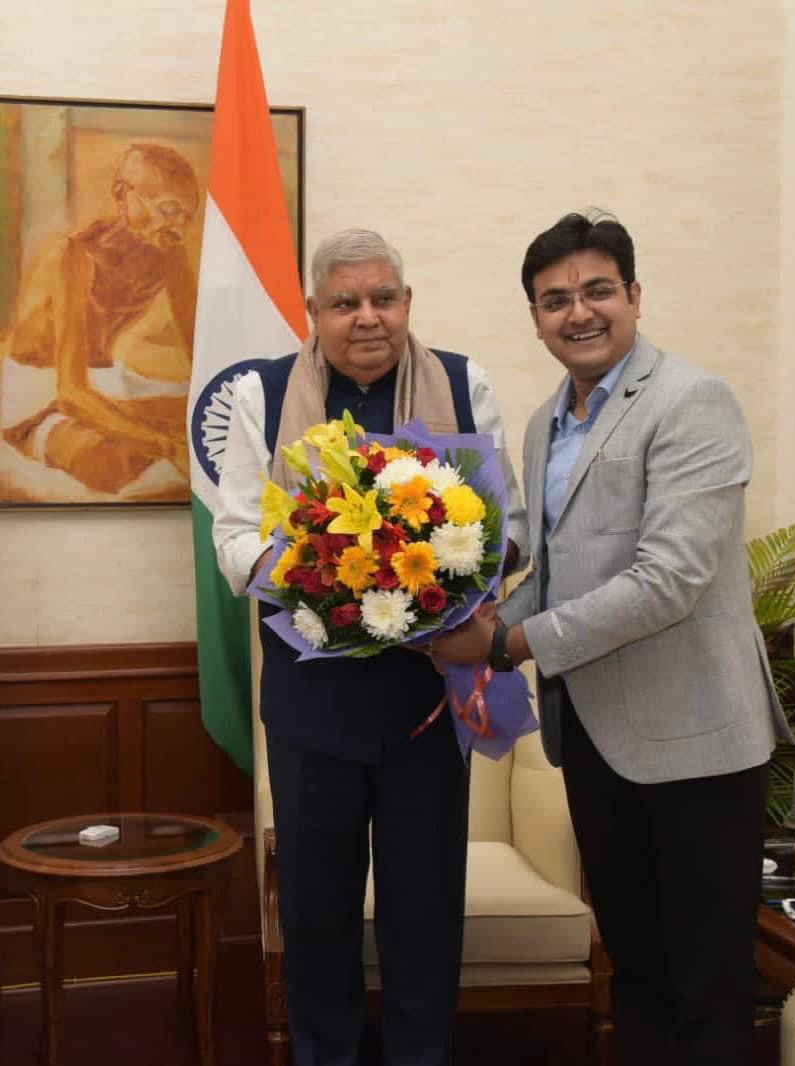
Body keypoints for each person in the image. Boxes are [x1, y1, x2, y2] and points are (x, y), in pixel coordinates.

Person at [433, 211, 792, 1065]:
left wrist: (501, 648)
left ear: (633, 295)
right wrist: (461, 624)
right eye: (554, 300)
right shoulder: (542, 421)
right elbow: (556, 577)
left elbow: (668, 581)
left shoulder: (691, 400)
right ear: (535, 317)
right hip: (593, 735)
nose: (577, 313)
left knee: (707, 988)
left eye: (597, 291)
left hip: (697, 742)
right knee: (635, 971)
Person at [213, 228, 526, 1066]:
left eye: (383, 299)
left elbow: (510, 528)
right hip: (312, 709)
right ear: (313, 312)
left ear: (407, 303)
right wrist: (329, 577)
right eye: (345, 302)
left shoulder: (463, 384)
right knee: (317, 914)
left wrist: (454, 585)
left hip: (428, 702)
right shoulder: (263, 394)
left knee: (424, 911)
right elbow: (235, 535)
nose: (367, 318)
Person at [2, 142, 200, 500]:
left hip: (100, 388)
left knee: (202, 411)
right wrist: (166, 445)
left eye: (187, 218)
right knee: (111, 463)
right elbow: (72, 394)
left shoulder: (168, 252)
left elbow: (201, 356)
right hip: (39, 395)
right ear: (124, 195)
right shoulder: (74, 257)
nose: (179, 230)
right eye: (169, 210)